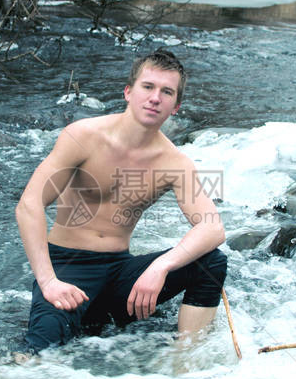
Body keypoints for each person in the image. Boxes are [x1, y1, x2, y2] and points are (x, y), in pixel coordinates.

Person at [14, 48, 227, 359]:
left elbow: (212, 227)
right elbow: (29, 205)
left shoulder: (175, 163)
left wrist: (161, 266)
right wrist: (48, 282)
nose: (155, 98)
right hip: (68, 270)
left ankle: (186, 363)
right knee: (36, 356)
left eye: (166, 92)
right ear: (129, 92)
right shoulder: (83, 136)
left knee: (211, 261)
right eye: (148, 87)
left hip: (119, 275)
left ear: (176, 106)